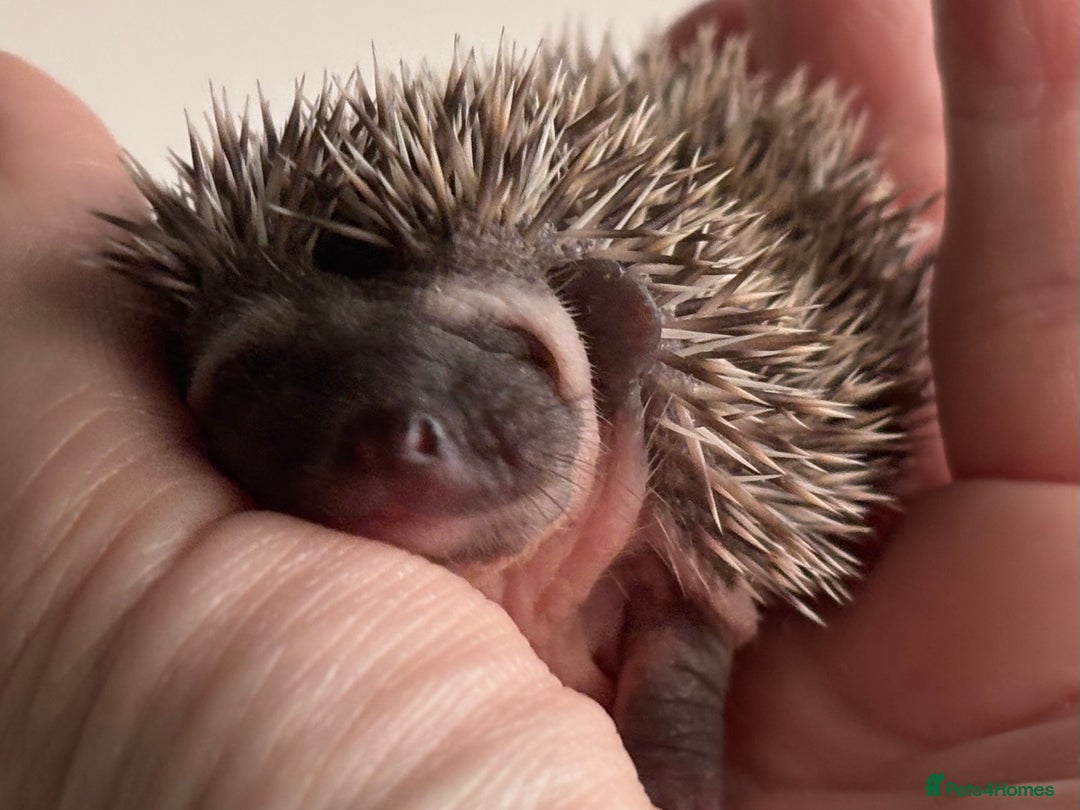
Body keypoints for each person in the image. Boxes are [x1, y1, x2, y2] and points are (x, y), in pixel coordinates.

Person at [0, 1, 1075, 807]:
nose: (399, 438)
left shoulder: (672, 522)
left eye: (486, 373)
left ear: (610, 352)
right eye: (294, 386)